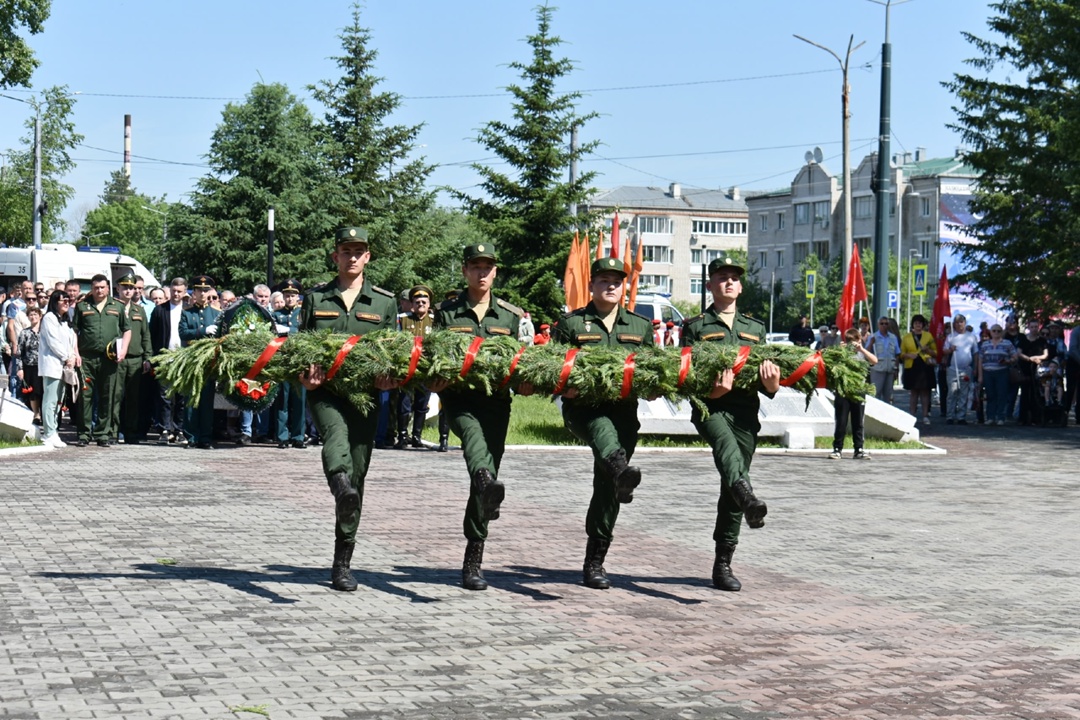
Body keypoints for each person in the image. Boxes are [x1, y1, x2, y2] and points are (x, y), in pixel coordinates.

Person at [297, 226, 398, 592]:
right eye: (346, 250)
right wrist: (304, 378)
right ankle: (338, 483)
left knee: (358, 474)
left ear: (368, 256)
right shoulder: (316, 299)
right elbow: (300, 351)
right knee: (335, 437)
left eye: (359, 251)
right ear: (335, 256)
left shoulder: (384, 303)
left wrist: (390, 379)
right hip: (326, 393)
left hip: (366, 398)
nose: (352, 257)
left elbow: (394, 355)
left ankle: (342, 562)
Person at [428, 242, 525, 591]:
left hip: (496, 403)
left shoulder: (510, 316)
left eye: (488, 267)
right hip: (460, 400)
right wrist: (434, 380)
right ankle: (485, 481)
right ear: (465, 270)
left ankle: (473, 561)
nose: (482, 273)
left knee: (485, 481)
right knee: (473, 445)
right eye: (475, 267)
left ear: (495, 272)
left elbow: (521, 363)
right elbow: (432, 356)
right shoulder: (447, 313)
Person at [681, 257, 780, 592]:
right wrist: (714, 390)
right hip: (711, 409)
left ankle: (723, 563)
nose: (728, 283)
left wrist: (772, 387)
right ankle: (747, 496)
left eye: (734, 278)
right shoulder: (695, 326)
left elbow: (764, 376)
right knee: (728, 456)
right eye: (721, 277)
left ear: (740, 286)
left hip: (745, 414)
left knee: (732, 485)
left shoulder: (755, 329)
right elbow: (684, 379)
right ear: (709, 284)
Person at [554, 256, 654, 589]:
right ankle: (618, 466)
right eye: (603, 281)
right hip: (584, 409)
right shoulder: (571, 325)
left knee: (609, 485)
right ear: (592, 284)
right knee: (605, 440)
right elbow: (551, 371)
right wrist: (564, 384)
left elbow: (653, 373)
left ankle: (595, 561)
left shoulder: (641, 327)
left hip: (625, 414)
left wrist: (654, 388)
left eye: (616, 281)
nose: (610, 286)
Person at [73, 274, 131, 447]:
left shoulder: (117, 307)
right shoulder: (82, 306)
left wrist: (124, 350)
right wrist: (75, 353)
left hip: (109, 358)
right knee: (85, 396)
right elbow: (74, 331)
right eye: (96, 287)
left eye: (102, 287)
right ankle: (84, 434)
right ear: (91, 288)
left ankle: (102, 434)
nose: (99, 290)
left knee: (108, 395)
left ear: (108, 288)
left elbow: (127, 330)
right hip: (87, 358)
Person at [178, 275, 222, 448]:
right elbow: (183, 333)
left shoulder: (217, 314)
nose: (202, 294)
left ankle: (205, 437)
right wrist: (203, 330)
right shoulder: (187, 312)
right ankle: (191, 437)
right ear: (193, 292)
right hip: (192, 361)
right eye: (199, 290)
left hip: (209, 362)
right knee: (191, 401)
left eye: (205, 290)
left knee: (206, 402)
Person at [396, 284, 435, 449]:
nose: (420, 305)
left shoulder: (434, 321)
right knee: (404, 404)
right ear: (412, 304)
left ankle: (417, 436)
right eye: (417, 302)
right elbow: (396, 342)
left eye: (423, 302)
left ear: (429, 304)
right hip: (406, 369)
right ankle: (403, 437)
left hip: (425, 369)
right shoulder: (403, 319)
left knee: (421, 404)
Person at [115, 273, 153, 444]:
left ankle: (131, 433)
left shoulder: (139, 310)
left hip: (136, 359)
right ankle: (113, 432)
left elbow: (146, 335)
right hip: (116, 359)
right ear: (118, 289)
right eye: (125, 287)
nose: (128, 291)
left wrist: (148, 358)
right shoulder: (112, 308)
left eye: (131, 287)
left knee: (133, 399)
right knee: (115, 398)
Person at [150, 277, 188, 445]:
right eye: (173, 291)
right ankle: (164, 429)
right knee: (164, 396)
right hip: (165, 358)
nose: (176, 294)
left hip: (184, 360)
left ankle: (179, 429)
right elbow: (152, 335)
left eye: (179, 291)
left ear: (185, 292)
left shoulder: (189, 310)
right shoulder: (160, 310)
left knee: (181, 397)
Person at [38, 291, 79, 447]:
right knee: (50, 400)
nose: (66, 303)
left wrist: (72, 355)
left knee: (59, 400)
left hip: (64, 366)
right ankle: (48, 432)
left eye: (68, 300)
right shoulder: (49, 318)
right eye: (63, 300)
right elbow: (53, 341)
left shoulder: (65, 321)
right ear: (55, 302)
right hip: (52, 365)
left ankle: (54, 429)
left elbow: (70, 341)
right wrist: (66, 357)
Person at [830, 328, 877, 460]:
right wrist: (840, 351)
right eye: (849, 340)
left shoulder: (862, 353)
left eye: (855, 340)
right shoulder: (843, 353)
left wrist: (862, 349)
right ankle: (837, 448)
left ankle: (859, 449)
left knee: (858, 422)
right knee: (841, 421)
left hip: (858, 391)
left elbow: (874, 361)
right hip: (843, 391)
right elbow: (831, 364)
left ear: (859, 340)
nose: (852, 343)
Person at [272, 279, 307, 450]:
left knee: (299, 401)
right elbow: (270, 333)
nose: (290, 298)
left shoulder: (303, 313)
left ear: (297, 296)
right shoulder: (276, 314)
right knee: (282, 401)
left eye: (293, 295)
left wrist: (289, 332)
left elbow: (307, 333)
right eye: (287, 295)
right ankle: (282, 436)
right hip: (283, 362)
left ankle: (298, 436)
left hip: (299, 361)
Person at [977, 324, 1018, 426]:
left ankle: (1001, 417)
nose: (996, 333)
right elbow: (980, 360)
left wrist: (1008, 361)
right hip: (988, 372)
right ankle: (990, 417)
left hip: (1002, 372)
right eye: (994, 331)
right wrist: (980, 376)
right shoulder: (985, 344)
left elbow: (1015, 356)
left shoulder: (1007, 343)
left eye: (998, 331)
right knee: (990, 395)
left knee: (1002, 394)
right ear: (990, 332)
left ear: (1002, 332)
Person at [900, 314, 937, 425]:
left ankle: (925, 415)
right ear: (912, 324)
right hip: (912, 366)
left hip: (925, 366)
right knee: (913, 392)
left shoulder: (928, 336)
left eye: (920, 323)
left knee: (925, 392)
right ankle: (912, 415)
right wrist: (908, 355)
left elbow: (935, 352)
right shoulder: (906, 337)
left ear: (923, 325)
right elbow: (901, 354)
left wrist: (928, 351)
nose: (918, 325)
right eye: (916, 323)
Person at [942, 315, 979, 424]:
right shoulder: (951, 337)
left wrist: (975, 368)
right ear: (954, 324)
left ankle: (961, 416)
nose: (959, 324)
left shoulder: (971, 337)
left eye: (961, 322)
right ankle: (950, 416)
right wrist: (950, 349)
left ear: (965, 323)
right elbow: (944, 351)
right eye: (957, 322)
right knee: (952, 392)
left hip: (966, 369)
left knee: (964, 393)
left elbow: (975, 353)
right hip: (953, 369)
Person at [1016, 319, 1049, 425]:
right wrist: (1029, 359)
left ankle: (1036, 417)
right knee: (1025, 393)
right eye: (1032, 327)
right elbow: (1018, 353)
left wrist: (1036, 358)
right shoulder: (1023, 339)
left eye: (1036, 327)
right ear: (1029, 327)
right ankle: (1023, 418)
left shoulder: (1042, 341)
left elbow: (1045, 354)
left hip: (1037, 369)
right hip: (1025, 369)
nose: (1034, 329)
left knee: (1036, 393)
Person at [16, 305, 43, 424]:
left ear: (40, 316)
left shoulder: (45, 331)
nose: (33, 317)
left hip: (44, 366)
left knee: (43, 391)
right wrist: (20, 368)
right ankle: (36, 415)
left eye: (35, 314)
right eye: (30, 315)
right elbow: (19, 352)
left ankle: (44, 414)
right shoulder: (24, 333)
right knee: (33, 392)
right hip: (30, 366)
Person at [866, 317, 901, 404]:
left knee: (888, 394)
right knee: (876, 393)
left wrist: (896, 368)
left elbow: (897, 354)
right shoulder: (873, 336)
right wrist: (871, 343)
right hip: (877, 368)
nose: (884, 325)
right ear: (878, 325)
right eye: (882, 323)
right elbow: (866, 352)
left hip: (890, 368)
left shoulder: (893, 337)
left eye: (886, 323)